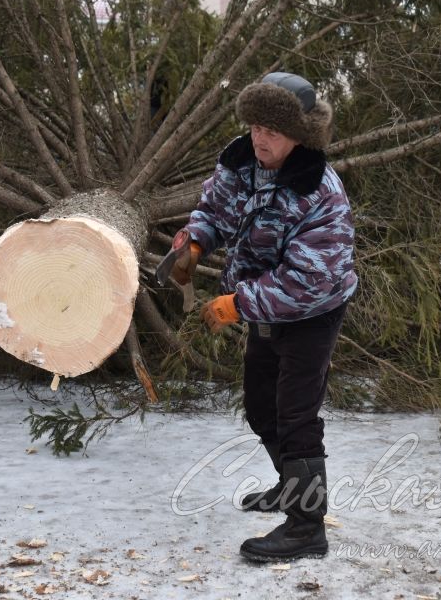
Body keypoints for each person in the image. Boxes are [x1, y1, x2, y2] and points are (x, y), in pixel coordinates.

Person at [170, 72, 357, 562]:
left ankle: (306, 527)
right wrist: (195, 241)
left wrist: (235, 304)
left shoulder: (318, 191)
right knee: (260, 406)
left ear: (300, 135)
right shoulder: (240, 161)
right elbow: (215, 209)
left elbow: (307, 283)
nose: (259, 138)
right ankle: (288, 486)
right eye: (255, 125)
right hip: (264, 309)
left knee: (296, 416)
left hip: (312, 314)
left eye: (272, 130)